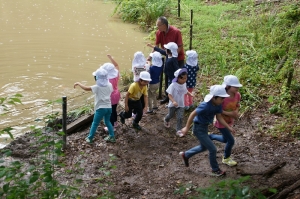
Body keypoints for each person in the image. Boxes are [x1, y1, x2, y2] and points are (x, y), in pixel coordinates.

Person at [179, 85, 236, 177]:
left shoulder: (218, 105)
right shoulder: (205, 105)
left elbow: (219, 117)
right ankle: (215, 170)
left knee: (203, 147)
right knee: (213, 149)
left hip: (205, 128)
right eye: (221, 98)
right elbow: (192, 114)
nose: (223, 101)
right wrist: (186, 128)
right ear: (214, 97)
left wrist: (228, 127)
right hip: (198, 128)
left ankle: (186, 155)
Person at [74, 68, 115, 143]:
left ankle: (90, 138)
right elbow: (111, 91)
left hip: (100, 108)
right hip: (109, 107)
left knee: (95, 123)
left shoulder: (97, 87)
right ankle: (112, 136)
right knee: (107, 122)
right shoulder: (110, 85)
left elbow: (86, 88)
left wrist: (78, 83)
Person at [209, 75, 242, 166]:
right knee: (231, 141)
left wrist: (235, 112)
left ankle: (211, 137)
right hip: (221, 122)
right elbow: (218, 112)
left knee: (225, 139)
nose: (237, 88)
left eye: (238, 86)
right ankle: (226, 158)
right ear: (228, 87)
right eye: (235, 86)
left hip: (230, 120)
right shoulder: (222, 97)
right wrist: (230, 114)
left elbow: (237, 105)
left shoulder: (237, 95)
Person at [151, 16, 185, 104]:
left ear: (164, 25)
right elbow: (157, 46)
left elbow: (180, 46)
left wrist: (174, 56)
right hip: (168, 57)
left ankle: (178, 99)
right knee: (167, 77)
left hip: (178, 59)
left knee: (177, 79)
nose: (157, 27)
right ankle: (168, 96)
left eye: (158, 25)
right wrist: (151, 57)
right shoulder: (159, 33)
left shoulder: (176, 32)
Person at [164, 68, 193, 136]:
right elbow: (169, 94)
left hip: (181, 104)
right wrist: (173, 101)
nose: (184, 80)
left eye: (185, 78)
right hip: (173, 105)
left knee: (180, 117)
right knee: (170, 115)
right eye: (182, 78)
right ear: (178, 78)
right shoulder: (173, 85)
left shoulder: (184, 84)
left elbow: (185, 90)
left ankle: (178, 130)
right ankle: (166, 119)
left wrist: (190, 94)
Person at [100, 55, 121, 132]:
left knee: (110, 112)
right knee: (114, 110)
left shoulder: (106, 79)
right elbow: (116, 65)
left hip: (110, 97)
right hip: (116, 94)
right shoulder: (116, 74)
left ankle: (111, 127)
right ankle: (115, 123)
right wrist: (111, 58)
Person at [132, 51, 147, 117]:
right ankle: (142, 110)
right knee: (143, 97)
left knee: (136, 98)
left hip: (137, 84)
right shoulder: (145, 66)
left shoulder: (135, 67)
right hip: (145, 83)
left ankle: (135, 112)